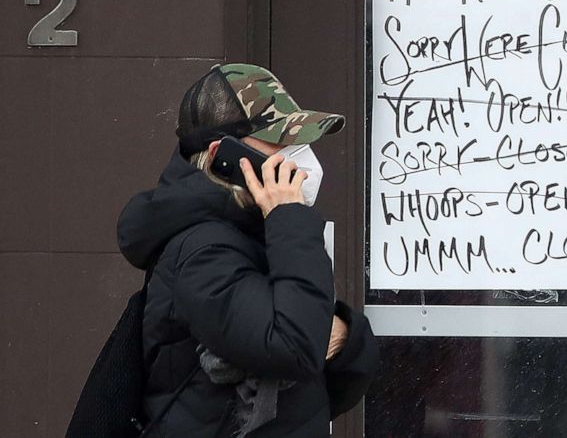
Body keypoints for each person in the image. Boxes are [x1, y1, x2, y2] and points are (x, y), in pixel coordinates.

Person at [117, 63, 378, 437]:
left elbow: (335, 378)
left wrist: (342, 337)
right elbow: (298, 346)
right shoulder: (202, 249)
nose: (298, 156)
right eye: (282, 142)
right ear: (224, 155)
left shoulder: (256, 233)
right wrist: (290, 217)